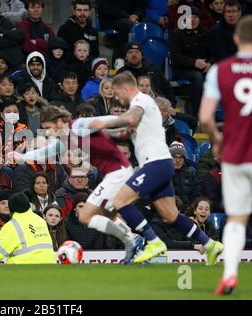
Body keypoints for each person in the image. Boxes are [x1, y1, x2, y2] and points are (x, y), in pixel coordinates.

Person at [90, 71, 224, 264]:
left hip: (155, 163)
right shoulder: (142, 105)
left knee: (119, 201)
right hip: (161, 163)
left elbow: (129, 120)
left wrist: (96, 125)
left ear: (126, 88)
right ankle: (210, 245)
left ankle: (153, 242)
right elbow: (127, 129)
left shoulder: (140, 102)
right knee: (171, 215)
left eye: (118, 93)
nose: (117, 98)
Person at [11, 105, 144, 263]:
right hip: (113, 174)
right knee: (103, 213)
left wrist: (129, 118)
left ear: (59, 121)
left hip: (118, 173)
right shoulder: (65, 138)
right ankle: (133, 240)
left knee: (87, 214)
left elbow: (105, 120)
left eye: (48, 127)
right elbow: (47, 152)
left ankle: (133, 239)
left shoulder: (79, 125)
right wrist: (23, 157)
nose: (46, 132)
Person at [199, 15, 252, 295]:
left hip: (235, 155)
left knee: (237, 218)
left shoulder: (220, 69)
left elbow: (206, 117)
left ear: (235, 38)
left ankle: (230, 276)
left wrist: (217, 140)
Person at [0, 192, 56, 264]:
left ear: (11, 210)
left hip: (24, 267)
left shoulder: (12, 225)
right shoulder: (41, 220)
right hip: (49, 264)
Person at [170, 7, 214, 118]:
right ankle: (197, 114)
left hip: (204, 68)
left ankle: (215, 113)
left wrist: (210, 63)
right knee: (198, 77)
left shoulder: (206, 33)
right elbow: (176, 56)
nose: (193, 20)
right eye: (189, 17)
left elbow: (213, 53)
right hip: (183, 70)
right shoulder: (177, 33)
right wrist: (194, 62)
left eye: (195, 17)